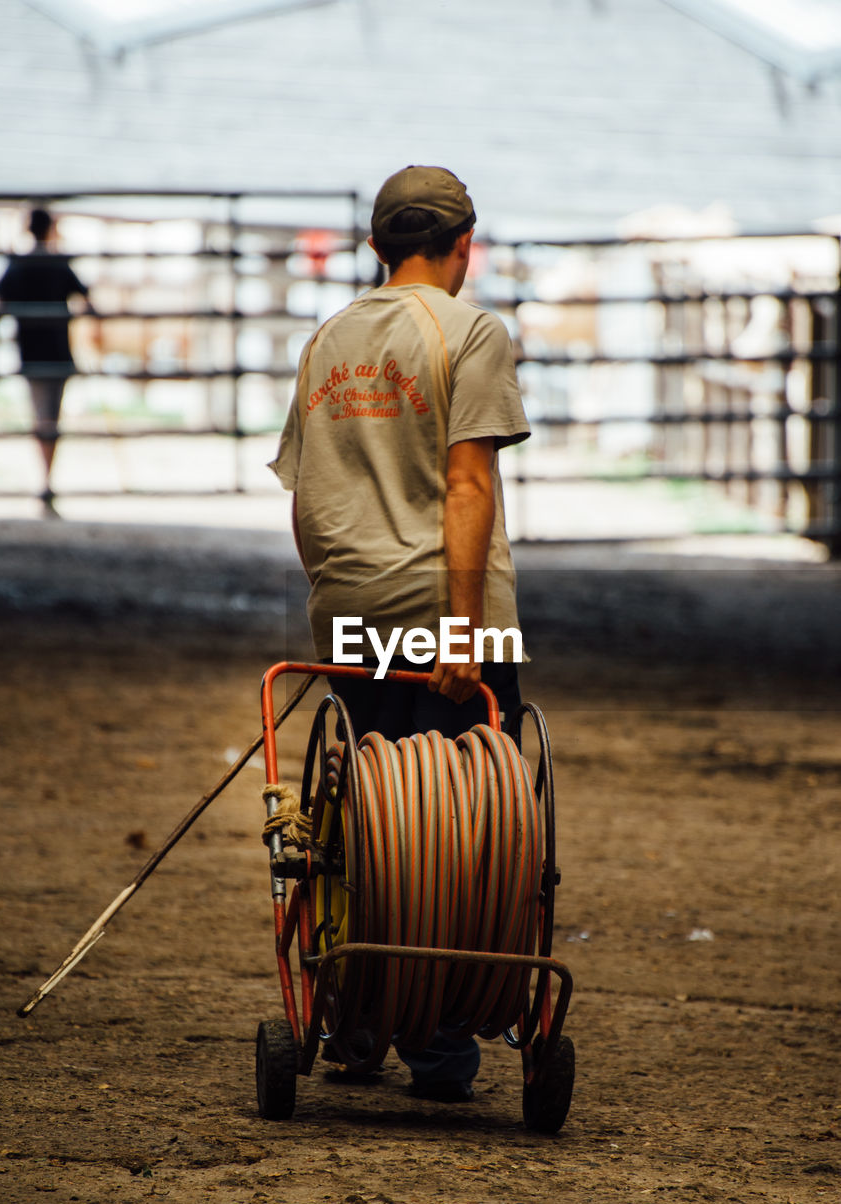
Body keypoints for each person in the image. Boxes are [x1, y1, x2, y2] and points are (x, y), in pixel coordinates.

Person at [271, 165, 531, 1102]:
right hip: (444, 614)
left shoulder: (328, 338)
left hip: (349, 611)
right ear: (466, 245)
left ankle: (360, 1019)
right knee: (458, 836)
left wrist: (335, 596)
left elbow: (305, 501)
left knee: (366, 826)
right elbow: (468, 486)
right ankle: (440, 1045)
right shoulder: (470, 333)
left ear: (378, 247)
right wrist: (462, 635)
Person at [0, 207, 94, 517]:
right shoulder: (59, 262)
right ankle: (47, 483)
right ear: (51, 228)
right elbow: (87, 301)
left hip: (30, 351)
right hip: (59, 350)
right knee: (52, 418)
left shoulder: (17, 264)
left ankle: (45, 483)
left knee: (41, 417)